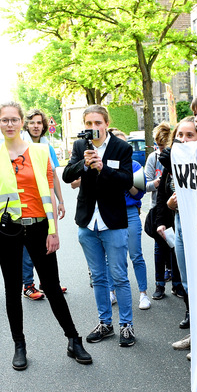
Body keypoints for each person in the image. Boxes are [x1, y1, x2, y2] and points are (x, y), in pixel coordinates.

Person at [0, 101, 92, 370]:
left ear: (22, 123)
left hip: (40, 227)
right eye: (4, 120)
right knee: (12, 289)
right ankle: (19, 345)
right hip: (8, 229)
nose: (9, 124)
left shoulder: (40, 151)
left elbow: (49, 189)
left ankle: (73, 340)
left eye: (14, 119)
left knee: (51, 287)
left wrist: (53, 230)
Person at [63, 105, 136, 347]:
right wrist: (83, 165)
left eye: (97, 123)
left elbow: (127, 181)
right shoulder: (79, 146)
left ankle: (127, 326)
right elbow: (66, 176)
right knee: (98, 277)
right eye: (89, 124)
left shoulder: (121, 147)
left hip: (112, 220)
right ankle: (105, 323)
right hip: (87, 220)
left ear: (106, 123)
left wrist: (103, 169)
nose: (93, 128)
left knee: (119, 276)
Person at [155, 117, 197, 354]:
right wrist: (171, 206)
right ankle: (196, 333)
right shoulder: (174, 163)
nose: (183, 141)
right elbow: (164, 194)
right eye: (179, 137)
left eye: (190, 135)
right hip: (180, 222)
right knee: (186, 282)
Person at [21, 108, 67, 299]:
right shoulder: (20, 145)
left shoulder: (47, 146)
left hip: (44, 202)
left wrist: (61, 200)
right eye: (32, 122)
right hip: (27, 202)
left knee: (47, 240)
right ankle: (27, 285)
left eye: (39, 123)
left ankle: (46, 282)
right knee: (27, 245)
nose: (36, 126)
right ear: (26, 124)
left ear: (44, 125)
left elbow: (53, 174)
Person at [108, 129, 151, 310]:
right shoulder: (105, 164)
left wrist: (125, 180)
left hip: (130, 211)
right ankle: (112, 291)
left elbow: (139, 193)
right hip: (110, 212)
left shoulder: (134, 166)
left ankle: (143, 294)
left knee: (136, 254)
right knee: (113, 257)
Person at [143, 122, 183, 300]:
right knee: (160, 248)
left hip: (174, 211)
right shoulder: (153, 158)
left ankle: (177, 283)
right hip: (158, 209)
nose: (161, 151)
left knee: (175, 248)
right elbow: (144, 184)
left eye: (164, 146)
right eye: (158, 147)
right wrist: (156, 183)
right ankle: (159, 284)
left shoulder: (177, 157)